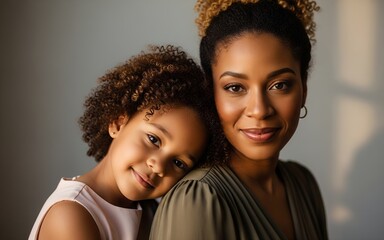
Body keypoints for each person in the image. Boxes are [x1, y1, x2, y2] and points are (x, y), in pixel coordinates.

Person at [150, 0, 328, 239]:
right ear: (210, 91)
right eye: (235, 87)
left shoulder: (303, 184)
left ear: (304, 89)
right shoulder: (197, 200)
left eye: (279, 85)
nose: (259, 110)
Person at [29, 45, 216, 239]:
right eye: (154, 139)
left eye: (179, 163)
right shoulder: (71, 214)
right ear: (118, 123)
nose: (158, 166)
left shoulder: (151, 210)